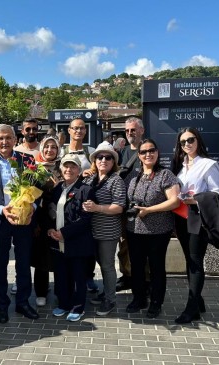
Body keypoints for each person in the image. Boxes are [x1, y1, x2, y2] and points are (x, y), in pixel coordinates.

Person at [0, 124, 39, 323]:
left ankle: (23, 303)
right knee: (0, 267)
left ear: (15, 139)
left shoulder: (27, 160)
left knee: (23, 263)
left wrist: (32, 209)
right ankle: (2, 306)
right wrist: (2, 210)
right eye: (0, 138)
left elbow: (36, 188)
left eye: (8, 138)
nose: (4, 142)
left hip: (23, 221)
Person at [170, 127, 219, 324]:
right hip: (180, 218)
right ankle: (198, 300)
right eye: (183, 142)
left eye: (190, 140)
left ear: (198, 140)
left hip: (197, 218)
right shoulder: (180, 165)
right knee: (189, 261)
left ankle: (191, 308)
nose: (187, 144)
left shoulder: (208, 164)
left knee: (195, 262)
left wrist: (196, 199)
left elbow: (218, 193)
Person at [124, 139, 181, 318]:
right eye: (143, 152)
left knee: (156, 267)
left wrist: (149, 210)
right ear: (139, 156)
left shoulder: (165, 175)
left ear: (157, 152)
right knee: (137, 266)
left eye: (151, 150)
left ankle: (156, 302)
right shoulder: (135, 176)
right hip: (134, 229)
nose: (148, 154)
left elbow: (175, 201)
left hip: (158, 231)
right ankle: (139, 298)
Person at [47, 154, 95, 321]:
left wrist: (64, 233)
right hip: (58, 242)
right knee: (61, 275)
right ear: (61, 169)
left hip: (77, 242)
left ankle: (78, 307)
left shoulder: (86, 190)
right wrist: (50, 229)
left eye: (73, 166)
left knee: (78, 277)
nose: (69, 169)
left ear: (79, 170)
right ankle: (63, 304)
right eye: (66, 166)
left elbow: (85, 220)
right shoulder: (57, 188)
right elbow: (49, 211)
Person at [81, 142, 125, 316]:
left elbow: (119, 207)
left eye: (108, 157)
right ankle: (106, 292)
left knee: (107, 266)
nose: (103, 160)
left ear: (113, 161)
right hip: (91, 231)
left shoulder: (116, 180)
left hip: (108, 231)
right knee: (100, 263)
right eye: (100, 157)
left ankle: (110, 299)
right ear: (95, 160)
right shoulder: (90, 179)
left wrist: (97, 208)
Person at [31, 135, 63, 307]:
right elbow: (29, 198)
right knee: (41, 258)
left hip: (61, 220)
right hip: (41, 221)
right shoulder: (34, 170)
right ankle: (41, 292)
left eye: (53, 147)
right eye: (47, 147)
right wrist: (34, 223)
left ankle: (61, 290)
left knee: (59, 257)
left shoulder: (63, 168)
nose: (50, 150)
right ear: (41, 149)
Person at [116, 116, 145, 292]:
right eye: (127, 130)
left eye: (133, 130)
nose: (129, 133)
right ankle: (127, 276)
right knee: (124, 245)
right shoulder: (122, 152)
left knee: (142, 246)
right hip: (124, 206)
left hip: (143, 208)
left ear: (141, 130)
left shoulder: (148, 150)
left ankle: (145, 279)